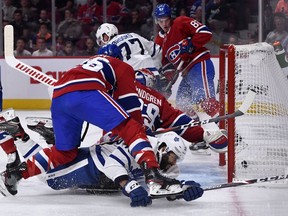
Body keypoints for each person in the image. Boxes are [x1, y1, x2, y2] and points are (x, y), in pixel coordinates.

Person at [0, 47, 181, 199]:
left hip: (59, 95)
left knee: (65, 152)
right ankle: (154, 176)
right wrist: (143, 138)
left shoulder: (93, 64)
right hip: (85, 91)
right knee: (132, 128)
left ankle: (17, 173)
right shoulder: (124, 68)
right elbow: (131, 117)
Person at [0, 112, 203, 206]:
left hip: (99, 175)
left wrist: (184, 189)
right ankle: (19, 135)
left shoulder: (162, 160)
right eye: (173, 157)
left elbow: (168, 181)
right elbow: (112, 163)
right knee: (49, 179)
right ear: (164, 148)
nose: (173, 163)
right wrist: (130, 186)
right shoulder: (143, 145)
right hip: (93, 166)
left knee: (51, 175)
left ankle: (31, 137)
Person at [154, 3, 220, 118]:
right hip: (187, 73)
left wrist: (191, 45)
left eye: (166, 20)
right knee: (182, 105)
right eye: (161, 21)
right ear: (156, 21)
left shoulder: (180, 22)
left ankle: (226, 128)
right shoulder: (159, 41)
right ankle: (195, 130)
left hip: (199, 64)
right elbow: (166, 64)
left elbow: (205, 33)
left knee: (207, 102)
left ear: (170, 18)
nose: (164, 24)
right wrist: (166, 80)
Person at [95, 23, 162, 76]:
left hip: (134, 77)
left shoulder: (110, 48)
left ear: (106, 36)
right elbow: (157, 51)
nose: (102, 44)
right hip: (152, 72)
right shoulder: (133, 35)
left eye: (101, 40)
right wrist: (159, 69)